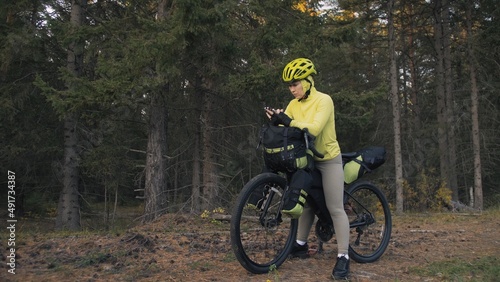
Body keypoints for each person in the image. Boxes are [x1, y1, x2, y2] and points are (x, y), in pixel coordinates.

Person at [265, 58, 350, 280]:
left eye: (295, 84)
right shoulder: (294, 104)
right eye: (290, 86)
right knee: (306, 203)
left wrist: (288, 120)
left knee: (335, 208)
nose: (292, 89)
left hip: (328, 159)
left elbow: (313, 129)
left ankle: (343, 257)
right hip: (307, 159)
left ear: (308, 81)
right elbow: (291, 131)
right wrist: (277, 120)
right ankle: (300, 245)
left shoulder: (325, 101)